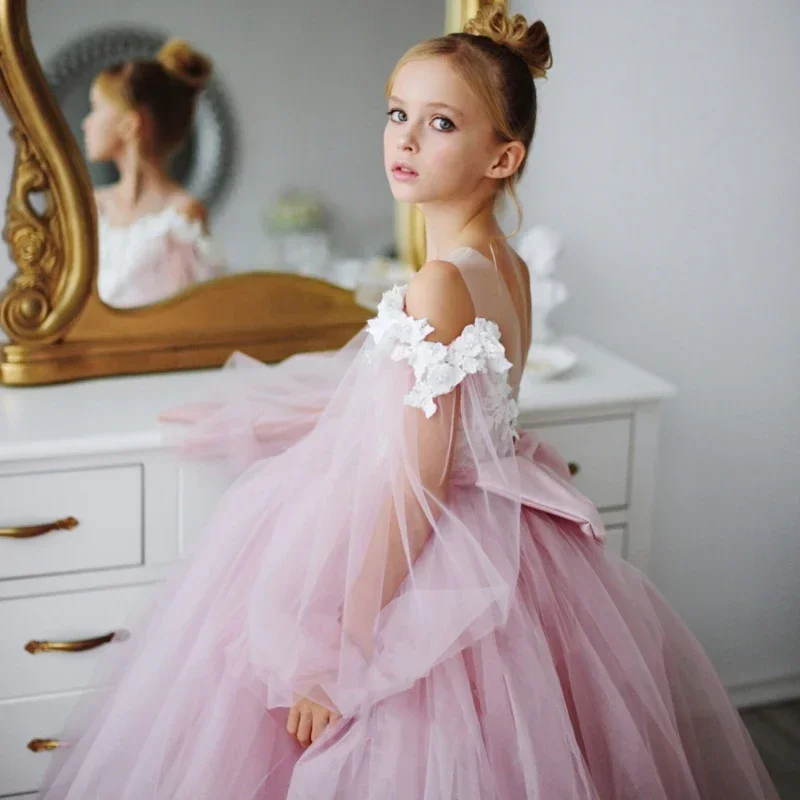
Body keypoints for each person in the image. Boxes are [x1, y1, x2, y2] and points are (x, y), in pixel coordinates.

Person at [41, 6, 777, 798]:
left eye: (441, 123)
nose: (406, 139)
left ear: (503, 156)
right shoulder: (505, 262)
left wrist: (341, 654)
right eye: (398, 114)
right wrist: (266, 412)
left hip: (427, 544)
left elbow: (418, 484)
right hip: (499, 533)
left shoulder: (441, 281)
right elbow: (438, 404)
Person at [82, 38, 227, 308]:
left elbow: (198, 312)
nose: (86, 122)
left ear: (130, 124)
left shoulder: (182, 214)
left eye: (97, 108)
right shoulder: (91, 207)